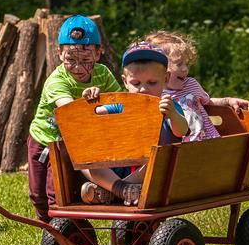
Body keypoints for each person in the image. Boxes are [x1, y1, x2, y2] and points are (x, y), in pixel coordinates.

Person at [27, 15, 121, 221]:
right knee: (38, 194)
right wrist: (90, 103)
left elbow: (122, 103)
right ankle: (48, 227)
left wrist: (103, 103)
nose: (78, 67)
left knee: (59, 192)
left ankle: (66, 229)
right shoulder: (56, 81)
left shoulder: (103, 74)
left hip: (75, 142)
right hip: (46, 140)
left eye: (85, 60)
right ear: (60, 54)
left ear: (98, 54)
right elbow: (71, 113)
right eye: (71, 60)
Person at [80, 41, 190, 205]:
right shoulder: (122, 105)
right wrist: (91, 100)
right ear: (125, 81)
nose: (143, 89)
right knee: (86, 161)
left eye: (152, 83)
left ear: (166, 79)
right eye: (136, 83)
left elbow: (182, 131)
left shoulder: (167, 106)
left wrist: (173, 115)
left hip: (151, 172)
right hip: (121, 167)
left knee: (156, 161)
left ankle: (112, 191)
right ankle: (123, 190)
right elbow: (94, 115)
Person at [145, 30, 249, 141]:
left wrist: (228, 101)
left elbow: (208, 102)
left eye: (186, 64)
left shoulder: (191, 84)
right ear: (160, 68)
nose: (185, 69)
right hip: (180, 148)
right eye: (179, 64)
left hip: (209, 141)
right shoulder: (157, 94)